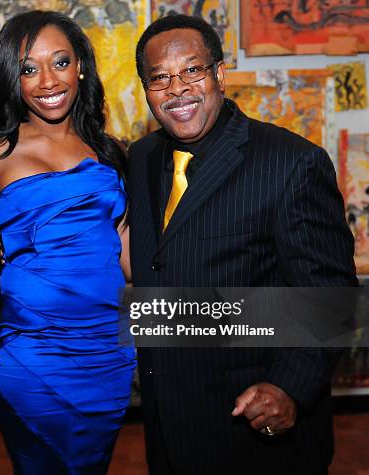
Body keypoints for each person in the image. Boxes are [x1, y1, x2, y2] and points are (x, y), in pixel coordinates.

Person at [128, 15, 357, 475]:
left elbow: (331, 299)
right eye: (160, 78)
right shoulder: (143, 157)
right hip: (166, 420)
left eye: (191, 70)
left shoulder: (292, 163)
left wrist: (288, 388)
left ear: (220, 74)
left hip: (252, 424)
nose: (177, 89)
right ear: (146, 90)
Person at [0, 10, 136, 474]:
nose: (47, 80)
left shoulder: (112, 151)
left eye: (59, 62)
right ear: (11, 78)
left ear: (80, 65)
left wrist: (217, 310)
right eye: (28, 68)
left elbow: (128, 254)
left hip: (108, 353)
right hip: (27, 354)